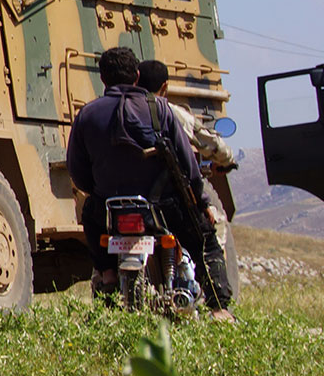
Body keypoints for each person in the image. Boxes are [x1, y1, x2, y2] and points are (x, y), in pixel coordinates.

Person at [68, 46, 234, 318]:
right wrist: (201, 202)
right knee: (206, 241)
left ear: (103, 79)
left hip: (110, 207)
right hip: (163, 207)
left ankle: (109, 276)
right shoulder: (160, 109)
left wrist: (99, 192)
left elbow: (78, 172)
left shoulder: (87, 115)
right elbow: (189, 168)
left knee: (91, 216)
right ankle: (219, 309)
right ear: (136, 76)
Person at [134, 57, 239, 311]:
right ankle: (219, 308)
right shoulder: (171, 112)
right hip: (168, 197)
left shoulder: (117, 112)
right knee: (211, 239)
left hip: (126, 196)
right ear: (165, 87)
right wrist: (227, 160)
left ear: (136, 81)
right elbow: (210, 143)